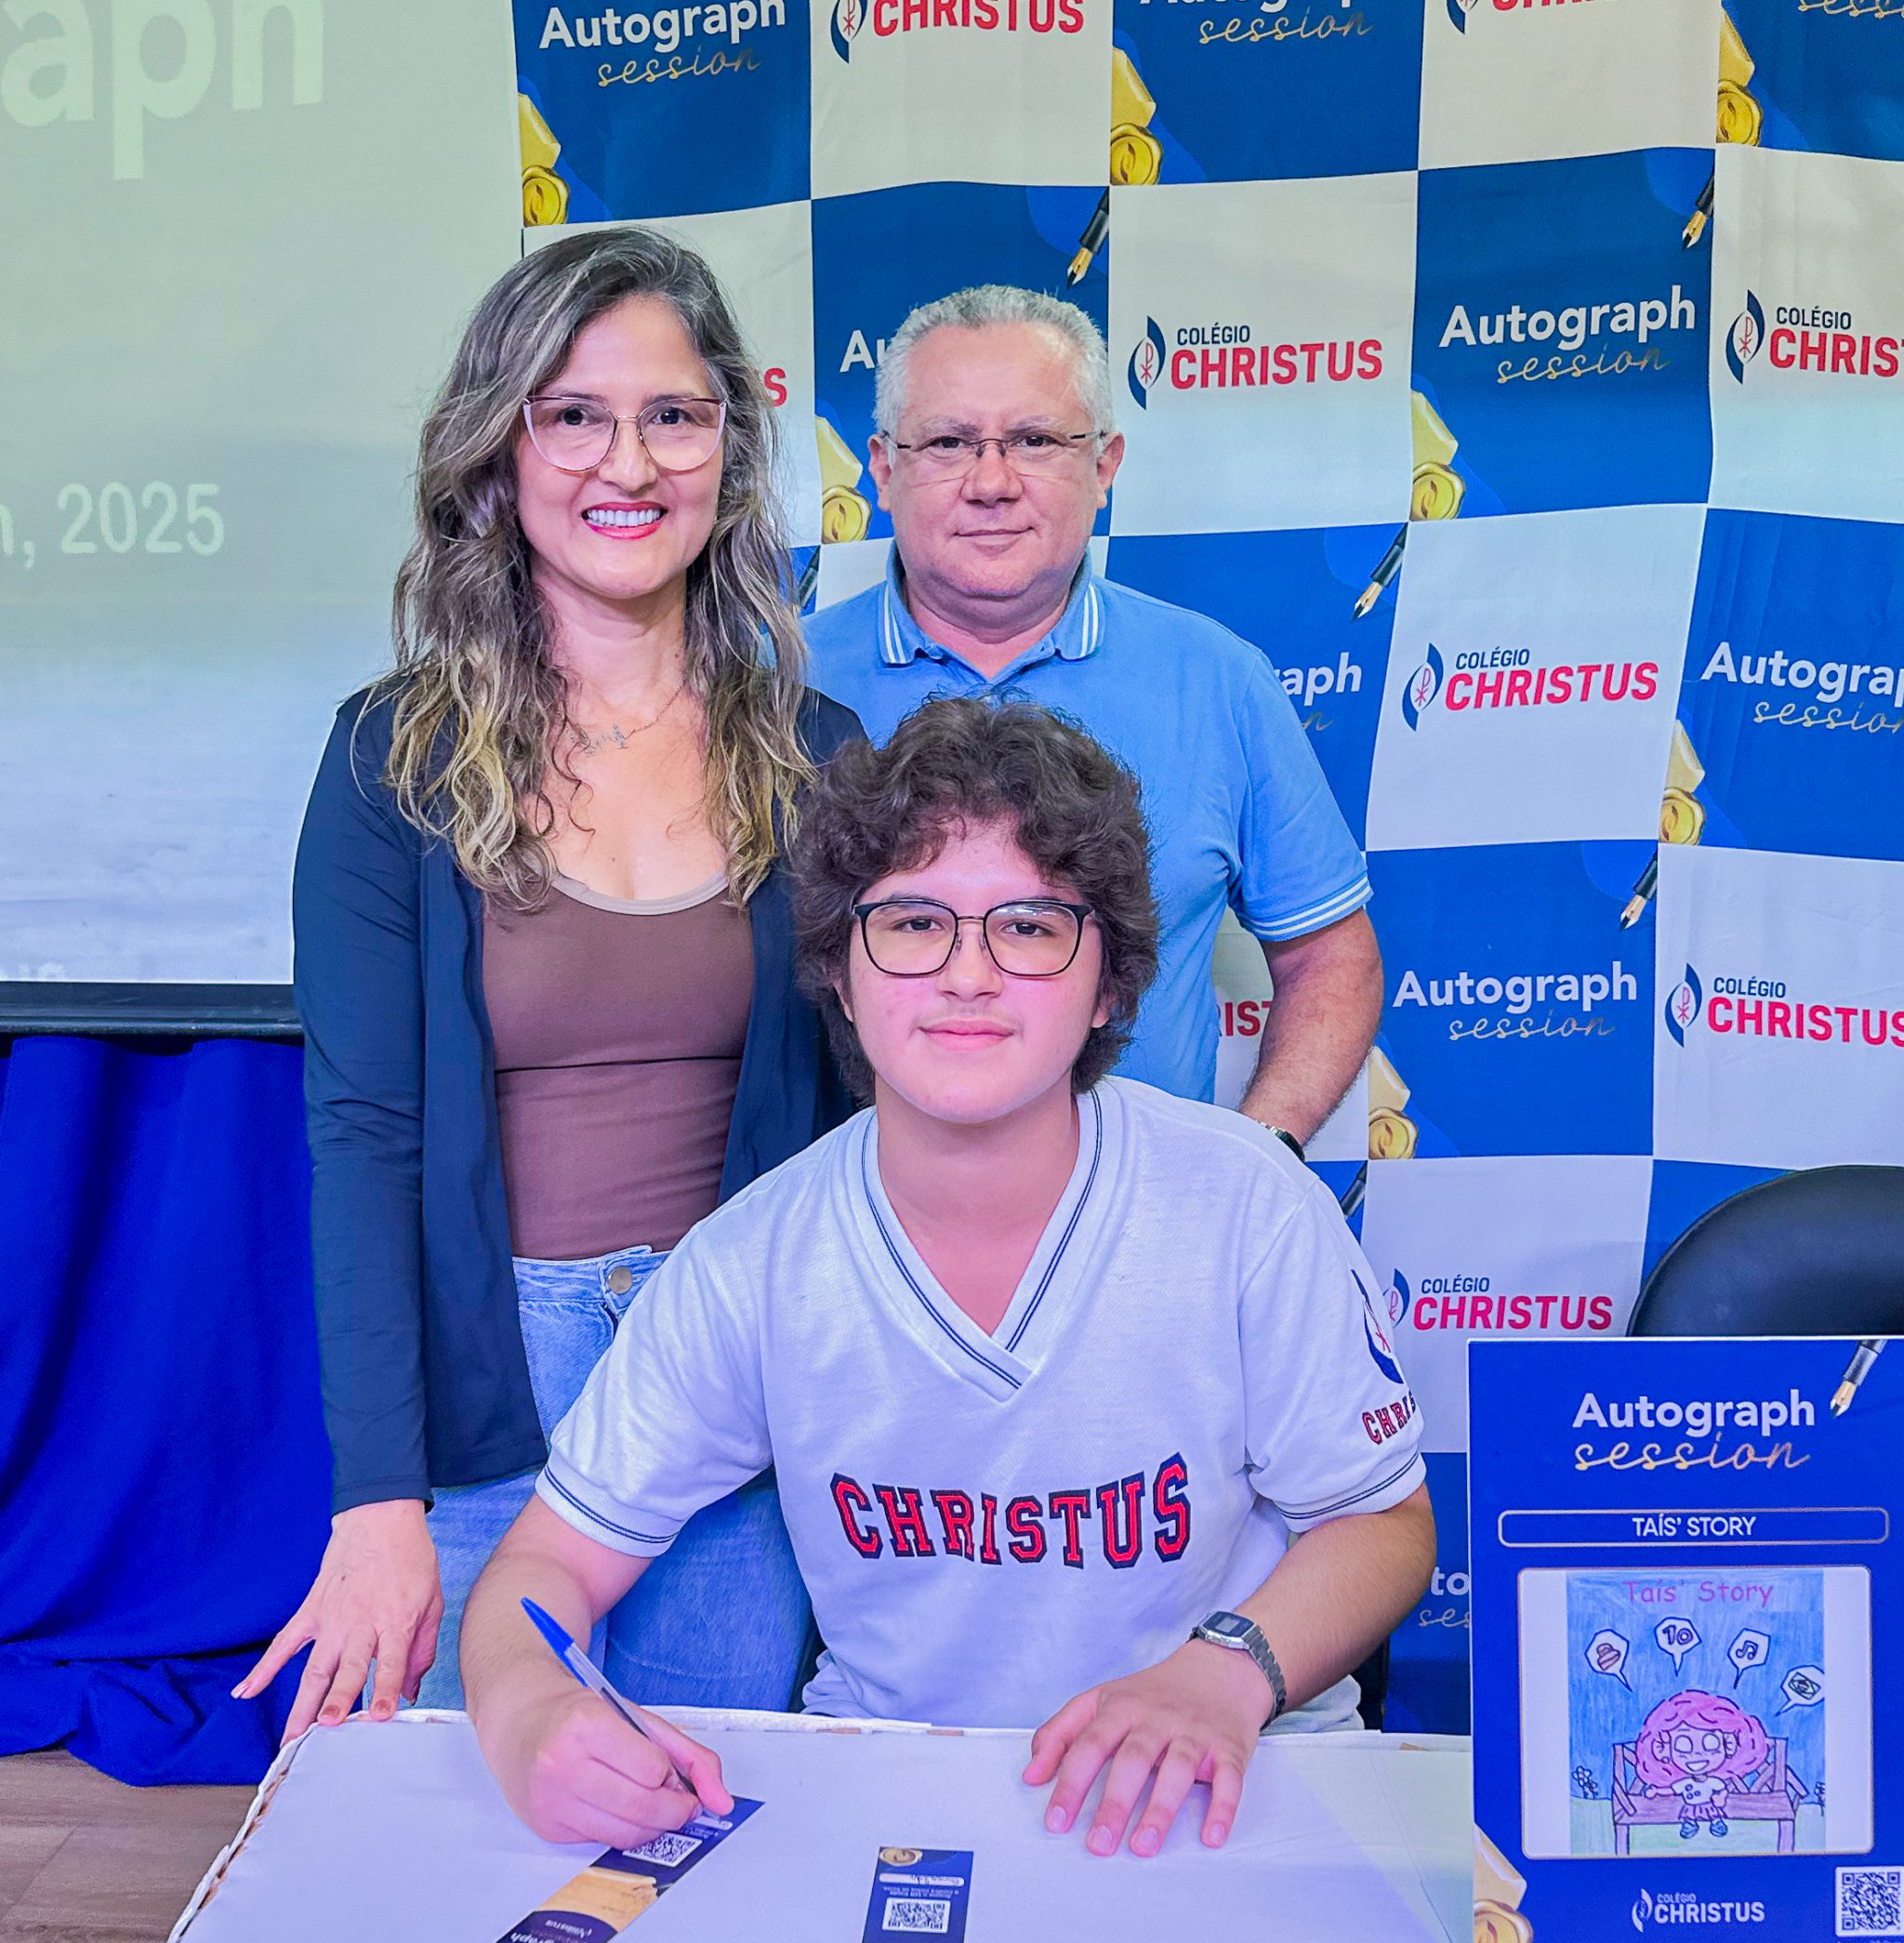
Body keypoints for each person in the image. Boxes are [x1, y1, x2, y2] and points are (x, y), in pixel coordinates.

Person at [460, 699, 1434, 1860]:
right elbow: (544, 1564)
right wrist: (527, 1712)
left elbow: (1382, 1523)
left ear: (1110, 982)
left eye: (1028, 927)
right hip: (899, 1801)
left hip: (1228, 1788)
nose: (968, 974)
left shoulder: (1244, 1206)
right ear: (839, 969)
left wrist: (1225, 1672)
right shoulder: (752, 1262)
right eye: (914, 923)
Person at [234, 227, 859, 1742]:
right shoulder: (389, 762)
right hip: (482, 1393)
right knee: (490, 1851)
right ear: (498, 451)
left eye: (672, 415)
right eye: (572, 414)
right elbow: (364, 1142)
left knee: (706, 1830)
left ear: (729, 446)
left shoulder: (822, 756)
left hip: (733, 1390)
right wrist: (377, 1500)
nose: (625, 463)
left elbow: (870, 1132)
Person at [804, 283, 1382, 1151]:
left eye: (1035, 440)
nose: (992, 483)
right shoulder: (769, 683)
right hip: (839, 1217)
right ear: (883, 470)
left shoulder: (1217, 680)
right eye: (950, 442)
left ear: (1105, 466)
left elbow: (1328, 954)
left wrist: (1261, 1159)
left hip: (1152, 1220)